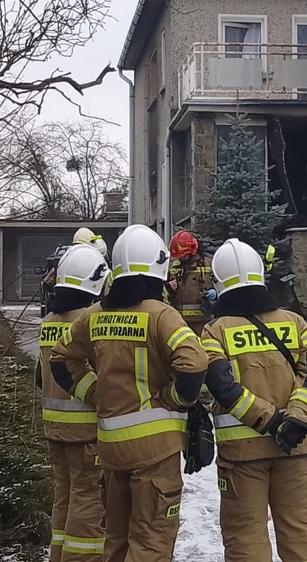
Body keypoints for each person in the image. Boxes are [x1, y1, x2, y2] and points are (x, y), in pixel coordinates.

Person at [50, 224, 208, 562]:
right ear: (158, 266)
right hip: (154, 451)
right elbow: (194, 363)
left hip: (110, 449)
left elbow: (60, 359)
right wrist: (176, 399)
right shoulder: (161, 316)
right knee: (150, 541)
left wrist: (95, 394)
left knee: (116, 541)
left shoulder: (94, 315)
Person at [200, 239, 307, 562]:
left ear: (219, 281)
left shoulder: (215, 331)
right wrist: (296, 418)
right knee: (300, 535)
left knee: (245, 538)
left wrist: (271, 421)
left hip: (242, 455)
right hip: (295, 448)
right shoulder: (295, 322)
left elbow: (221, 385)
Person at [36, 245, 108, 562]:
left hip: (54, 427)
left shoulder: (49, 320)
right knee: (88, 499)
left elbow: (41, 375)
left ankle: (59, 554)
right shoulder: (89, 321)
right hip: (86, 430)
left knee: (63, 496)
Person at [167, 230, 215, 335]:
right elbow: (164, 295)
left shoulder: (208, 264)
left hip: (203, 322)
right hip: (179, 322)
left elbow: (221, 286)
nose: (180, 258)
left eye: (182, 255)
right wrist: (169, 288)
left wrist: (215, 293)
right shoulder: (174, 266)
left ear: (191, 251)